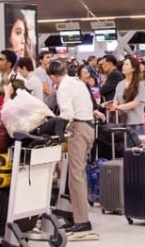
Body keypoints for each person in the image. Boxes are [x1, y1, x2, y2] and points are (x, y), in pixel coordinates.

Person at [47, 60, 96, 236]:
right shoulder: (77, 82)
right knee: (78, 173)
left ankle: (82, 221)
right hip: (89, 128)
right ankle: (75, 215)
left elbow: (67, 114)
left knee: (76, 176)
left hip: (78, 129)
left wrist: (53, 128)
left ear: (53, 76)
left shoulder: (63, 87)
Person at [110, 56, 145, 138]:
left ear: (133, 69)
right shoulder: (120, 84)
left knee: (137, 149)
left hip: (136, 123)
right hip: (122, 123)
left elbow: (136, 102)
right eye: (123, 64)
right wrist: (113, 106)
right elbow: (116, 100)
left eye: (127, 65)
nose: (123, 66)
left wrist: (118, 107)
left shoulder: (140, 84)